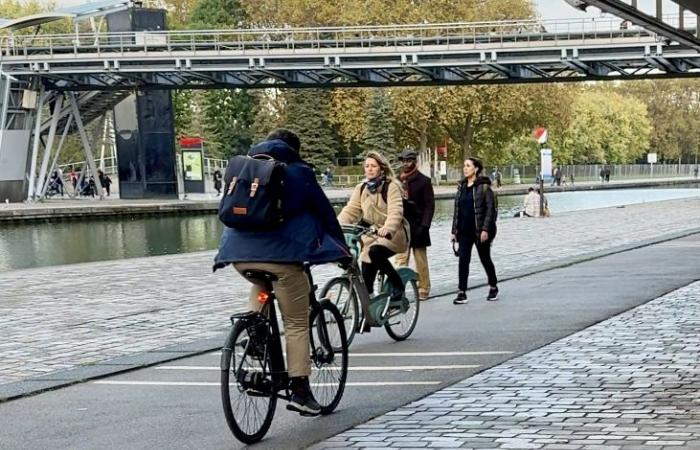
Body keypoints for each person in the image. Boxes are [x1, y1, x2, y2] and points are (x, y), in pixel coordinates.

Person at [214, 129, 350, 416]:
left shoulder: (246, 169)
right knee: (297, 324)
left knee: (261, 280)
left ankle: (254, 334)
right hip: (283, 258)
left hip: (238, 256)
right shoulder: (299, 172)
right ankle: (300, 390)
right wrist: (343, 252)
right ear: (295, 150)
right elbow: (326, 214)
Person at [337, 151, 409, 306]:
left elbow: (396, 211)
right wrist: (336, 226)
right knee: (365, 272)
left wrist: (388, 228)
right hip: (372, 235)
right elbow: (351, 210)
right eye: (367, 166)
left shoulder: (391, 186)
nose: (369, 169)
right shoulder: (361, 188)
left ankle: (397, 284)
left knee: (375, 252)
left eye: (373, 166)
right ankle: (368, 312)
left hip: (393, 235)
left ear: (381, 169)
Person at [450, 157, 499, 304]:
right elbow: (457, 211)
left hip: (479, 231)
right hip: (464, 231)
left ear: (476, 168)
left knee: (485, 259)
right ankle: (462, 292)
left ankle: (493, 286)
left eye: (468, 166)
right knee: (463, 261)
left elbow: (491, 210)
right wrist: (454, 231)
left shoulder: (484, 187)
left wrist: (485, 229)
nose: (465, 168)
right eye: (464, 166)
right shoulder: (462, 188)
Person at [394, 148, 435, 301]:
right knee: (400, 260)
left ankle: (424, 288)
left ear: (414, 162)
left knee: (420, 260)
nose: (406, 164)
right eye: (403, 161)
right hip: (401, 225)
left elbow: (429, 205)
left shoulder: (424, 181)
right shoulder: (396, 180)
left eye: (409, 160)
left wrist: (425, 225)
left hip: (418, 225)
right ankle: (398, 289)